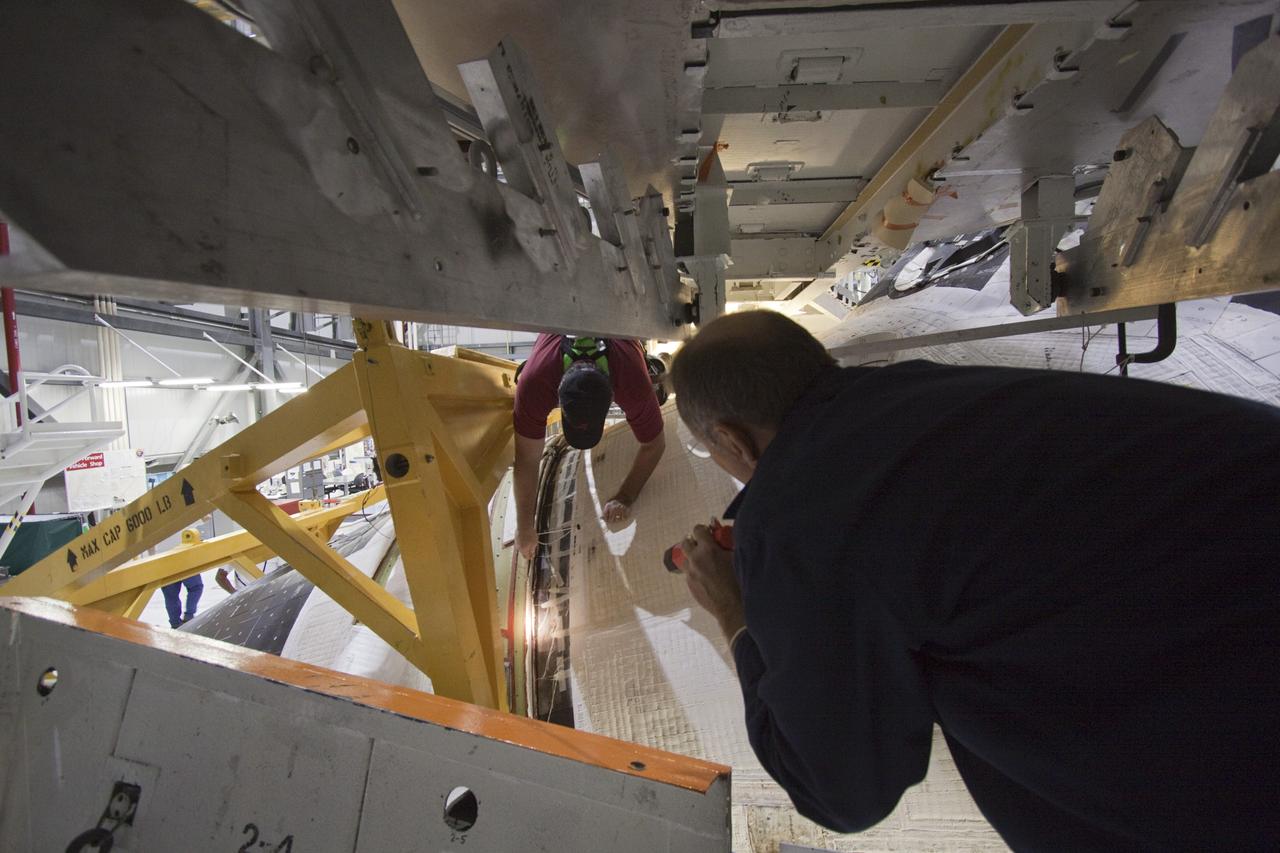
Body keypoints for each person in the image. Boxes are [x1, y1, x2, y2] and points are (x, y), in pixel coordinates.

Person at [670, 310, 1280, 851]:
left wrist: (736, 613)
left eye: (710, 450)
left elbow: (840, 790)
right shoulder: (929, 391)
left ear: (730, 438)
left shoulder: (793, 513)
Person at [513, 334, 666, 559]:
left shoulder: (633, 382)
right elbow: (526, 460)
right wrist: (524, 527)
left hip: (622, 348)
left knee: (654, 391)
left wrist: (625, 496)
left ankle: (655, 362)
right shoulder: (534, 385)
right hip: (546, 364)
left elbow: (656, 445)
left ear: (612, 396)